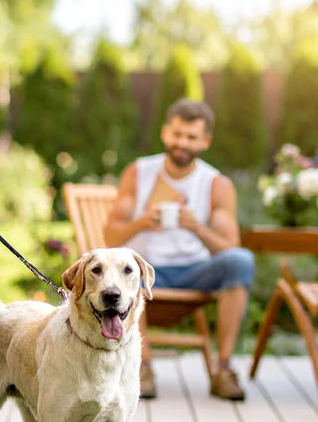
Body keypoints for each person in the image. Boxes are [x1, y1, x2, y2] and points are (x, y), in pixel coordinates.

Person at [104, 98, 254, 401]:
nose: (182, 143)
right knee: (125, 273)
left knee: (241, 261)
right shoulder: (139, 173)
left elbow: (230, 248)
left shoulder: (216, 184)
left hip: (194, 271)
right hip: (145, 272)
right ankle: (141, 368)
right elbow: (110, 236)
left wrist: (197, 227)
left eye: (191, 137)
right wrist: (141, 223)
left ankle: (222, 369)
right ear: (164, 133)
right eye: (177, 134)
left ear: (206, 141)